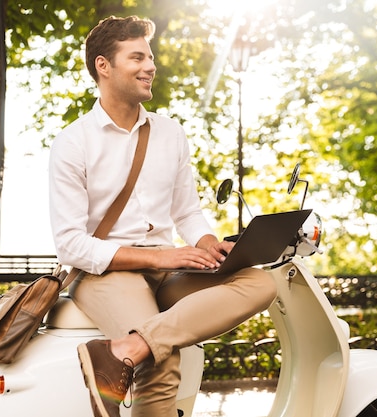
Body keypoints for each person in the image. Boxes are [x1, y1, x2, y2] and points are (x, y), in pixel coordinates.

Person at [48, 15, 277, 417]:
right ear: (104, 66)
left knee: (259, 283)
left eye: (150, 57)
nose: (151, 66)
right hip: (105, 274)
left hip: (166, 270)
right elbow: (71, 244)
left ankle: (124, 350)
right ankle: (143, 349)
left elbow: (187, 211)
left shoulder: (171, 133)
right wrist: (162, 257)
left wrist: (208, 245)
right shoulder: (72, 142)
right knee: (162, 358)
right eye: (137, 57)